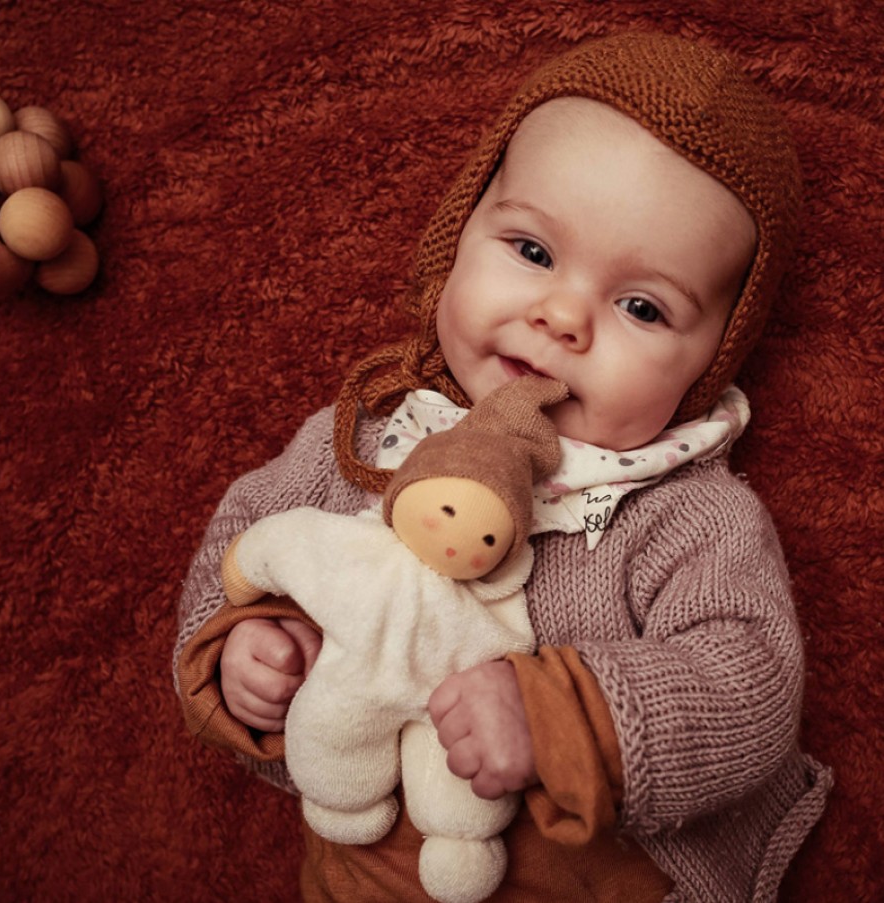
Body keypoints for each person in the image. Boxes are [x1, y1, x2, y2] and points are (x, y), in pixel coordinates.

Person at [175, 31, 831, 903]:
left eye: (640, 305)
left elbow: (749, 682)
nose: (561, 316)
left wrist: (564, 718)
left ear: (713, 358)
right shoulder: (374, 439)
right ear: (458, 234)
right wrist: (248, 647)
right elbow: (245, 543)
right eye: (531, 251)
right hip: (366, 863)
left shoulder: (686, 513)